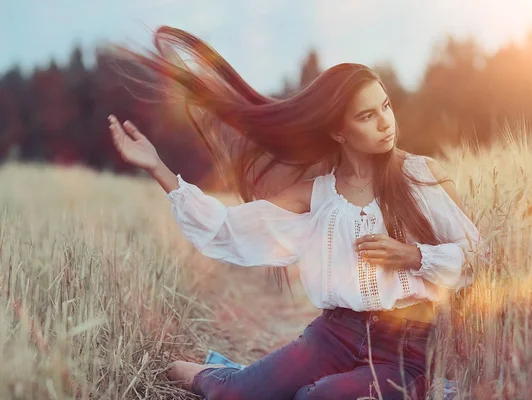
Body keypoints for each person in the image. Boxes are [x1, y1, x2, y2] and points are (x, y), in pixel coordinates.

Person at [108, 26, 488, 400]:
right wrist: (157, 167)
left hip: (406, 351)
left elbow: (478, 255)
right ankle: (218, 376)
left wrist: (415, 256)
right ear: (338, 133)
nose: (385, 121)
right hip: (335, 334)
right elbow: (227, 229)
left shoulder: (420, 175)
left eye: (385, 106)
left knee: (317, 397)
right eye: (367, 115)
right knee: (236, 394)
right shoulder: (317, 194)